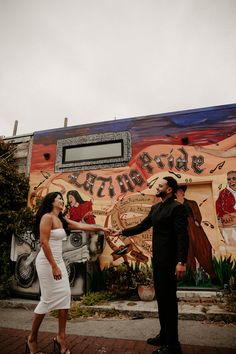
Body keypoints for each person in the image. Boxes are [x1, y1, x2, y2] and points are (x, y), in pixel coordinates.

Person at [26, 191, 111, 354]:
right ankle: (32, 338)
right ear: (51, 202)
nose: (62, 201)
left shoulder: (61, 220)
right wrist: (54, 266)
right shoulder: (47, 218)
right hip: (46, 262)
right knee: (47, 300)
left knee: (65, 298)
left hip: (58, 261)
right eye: (59, 199)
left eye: (63, 199)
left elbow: (82, 226)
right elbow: (44, 243)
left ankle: (61, 337)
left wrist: (102, 228)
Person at [112, 176, 189, 354]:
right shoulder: (156, 208)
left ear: (169, 190)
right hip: (159, 261)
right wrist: (121, 231)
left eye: (160, 185)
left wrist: (181, 262)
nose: (157, 187)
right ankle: (164, 335)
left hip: (171, 262)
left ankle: (173, 345)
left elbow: (182, 237)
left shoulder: (178, 208)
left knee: (169, 302)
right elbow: (142, 226)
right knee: (162, 300)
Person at [175, 185, 216, 282]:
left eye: (181, 191)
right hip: (181, 229)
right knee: (186, 251)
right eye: (178, 191)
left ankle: (212, 274)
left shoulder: (191, 203)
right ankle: (189, 276)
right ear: (175, 194)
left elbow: (197, 214)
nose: (180, 193)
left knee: (203, 248)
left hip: (194, 228)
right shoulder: (173, 205)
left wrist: (197, 221)